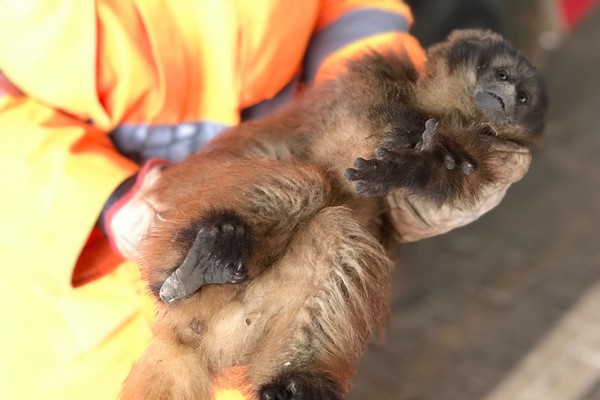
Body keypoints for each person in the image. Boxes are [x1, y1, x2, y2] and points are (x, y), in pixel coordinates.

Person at [0, 1, 528, 399]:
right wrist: (108, 198)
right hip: (69, 260)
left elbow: (356, 16)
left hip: (292, 196)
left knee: (316, 260)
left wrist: (384, 122)